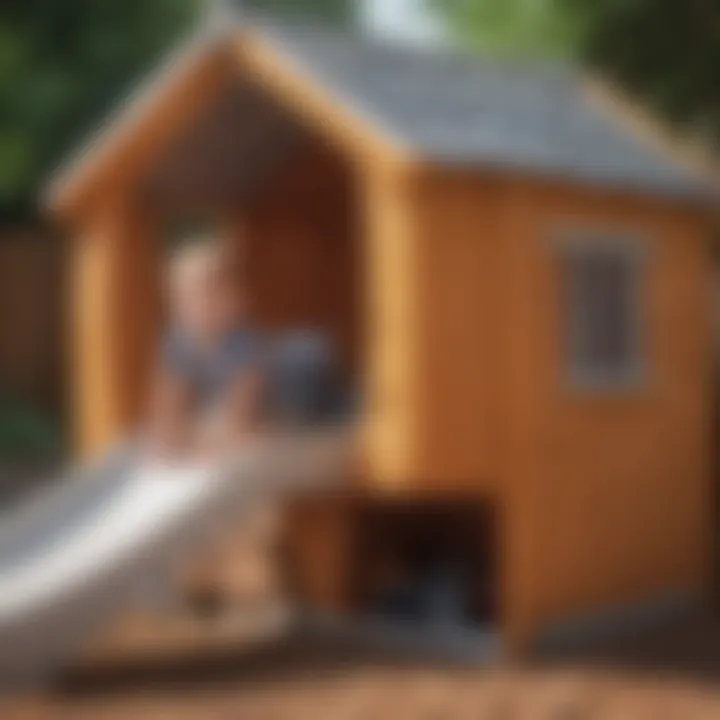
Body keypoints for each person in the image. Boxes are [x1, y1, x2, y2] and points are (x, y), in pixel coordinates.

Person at [147, 235, 265, 462]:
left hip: (277, 394)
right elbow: (167, 404)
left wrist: (216, 439)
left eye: (207, 296)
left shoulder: (242, 341)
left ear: (235, 300)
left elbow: (244, 404)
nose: (197, 308)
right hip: (217, 410)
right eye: (184, 299)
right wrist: (171, 434)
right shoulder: (179, 343)